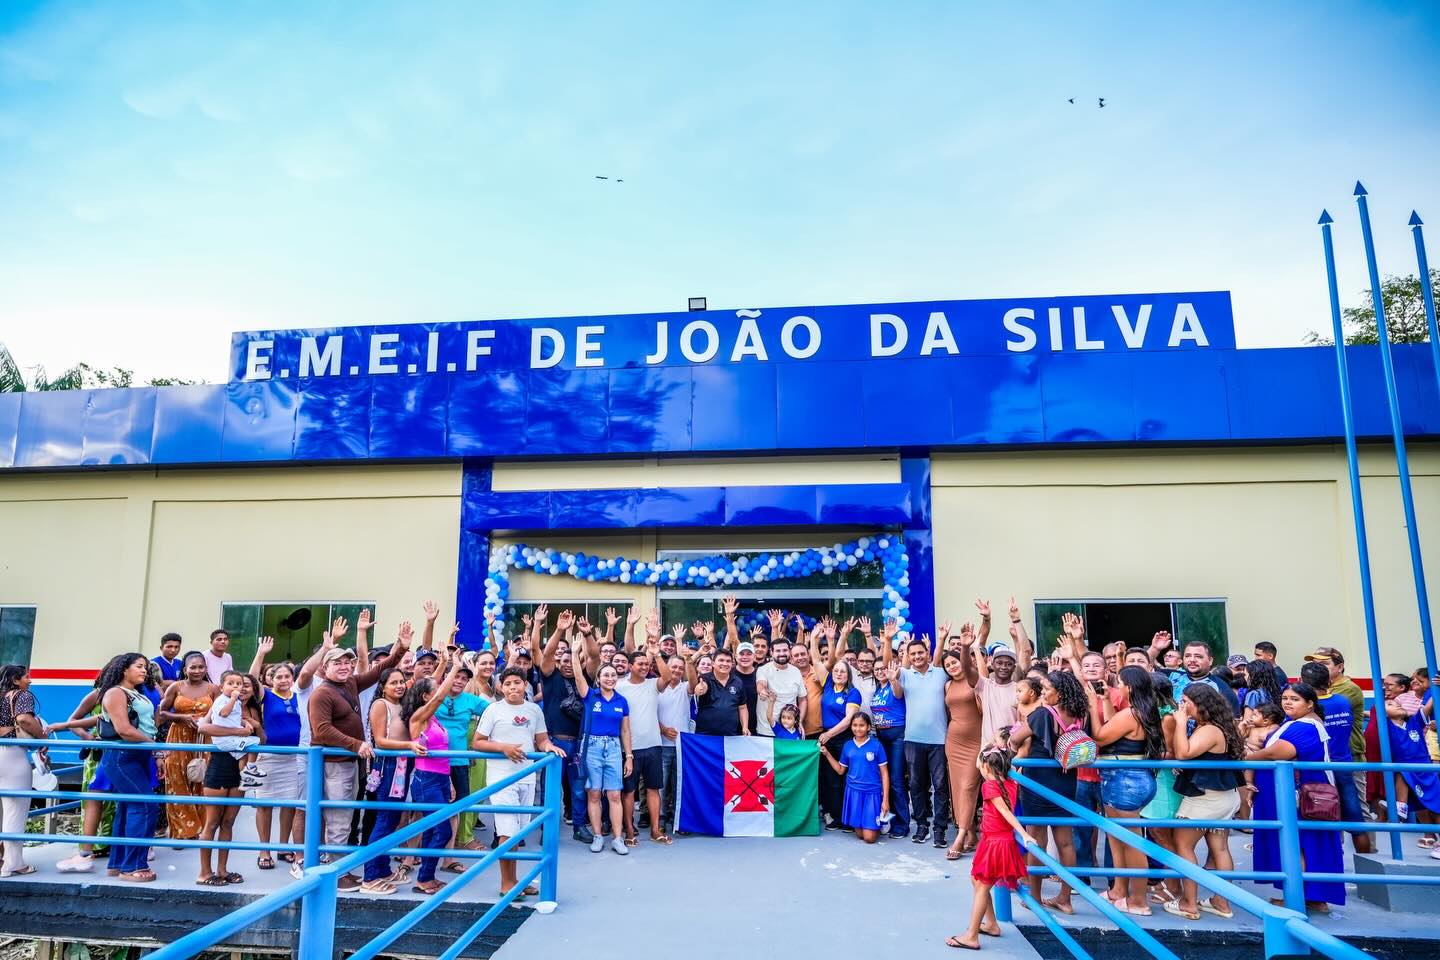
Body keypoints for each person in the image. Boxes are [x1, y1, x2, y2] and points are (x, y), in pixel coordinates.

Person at [309, 617, 405, 891]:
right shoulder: (322, 694)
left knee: (347, 816)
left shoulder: (349, 683)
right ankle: (336, 875)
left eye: (347, 662)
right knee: (339, 818)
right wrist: (356, 744)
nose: (344, 666)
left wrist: (401, 648)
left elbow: (379, 671)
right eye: (337, 663)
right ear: (325, 667)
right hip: (336, 763)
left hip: (351, 762)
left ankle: (340, 868)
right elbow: (322, 730)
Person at [1247, 681, 1346, 912]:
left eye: (1295, 699)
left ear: (1310, 703)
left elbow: (1278, 752)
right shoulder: (1301, 723)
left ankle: (1296, 898)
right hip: (1292, 792)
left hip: (1296, 796)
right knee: (1302, 842)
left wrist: (1247, 758)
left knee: (1296, 843)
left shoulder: (1305, 726)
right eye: (1285, 698)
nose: (1288, 703)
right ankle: (1308, 896)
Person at [473, 667, 566, 899]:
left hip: (527, 775)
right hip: (502, 777)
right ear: (501, 687)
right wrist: (503, 748)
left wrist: (549, 747)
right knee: (507, 831)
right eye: (508, 684)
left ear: (525, 685)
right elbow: (478, 742)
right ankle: (506, 883)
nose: (512, 687)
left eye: (517, 682)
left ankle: (515, 880)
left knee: (518, 831)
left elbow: (541, 739)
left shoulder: (534, 709)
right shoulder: (493, 710)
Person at [1081, 659, 1163, 916]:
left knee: (1131, 842)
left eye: (1120, 683)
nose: (1118, 687)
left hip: (1124, 781)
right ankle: (1118, 890)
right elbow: (1114, 727)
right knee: (1116, 838)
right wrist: (1105, 700)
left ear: (1130, 687)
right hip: (1127, 778)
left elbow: (1101, 736)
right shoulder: (1142, 711)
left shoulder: (1131, 714)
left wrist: (1092, 705)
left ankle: (1138, 901)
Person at [1008, 667, 1089, 914]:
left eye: (1046, 689)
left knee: (1036, 838)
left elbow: (1016, 739)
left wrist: (1013, 740)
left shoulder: (1043, 714)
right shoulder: (1080, 715)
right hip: (1067, 781)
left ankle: (1034, 896)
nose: (1043, 693)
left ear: (1060, 693)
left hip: (1038, 782)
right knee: (1065, 842)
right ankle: (1065, 898)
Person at [946, 747, 1036, 951]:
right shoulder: (1011, 782)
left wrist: (1024, 834)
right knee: (976, 880)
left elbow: (1005, 811)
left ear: (987, 767)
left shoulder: (990, 786)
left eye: (982, 765)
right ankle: (992, 924)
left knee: (982, 886)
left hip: (996, 844)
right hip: (992, 840)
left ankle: (971, 936)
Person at [1169, 683, 1244, 921]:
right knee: (1220, 848)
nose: (1182, 705)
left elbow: (1183, 753)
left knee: (1183, 846)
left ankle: (1189, 903)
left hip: (1205, 799)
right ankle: (1221, 902)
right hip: (1222, 796)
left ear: (1200, 704)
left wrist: (1181, 723)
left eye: (1186, 701)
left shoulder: (1209, 729)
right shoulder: (1218, 726)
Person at [400, 657, 466, 896]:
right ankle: (425, 877)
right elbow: (439, 697)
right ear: (426, 696)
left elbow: (442, 751)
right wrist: (455, 668)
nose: (440, 693)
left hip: (440, 778)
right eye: (435, 690)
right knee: (443, 830)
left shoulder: (434, 718)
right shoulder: (418, 716)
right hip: (425, 780)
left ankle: (426, 877)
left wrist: (448, 782)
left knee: (432, 830)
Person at [94, 654, 159, 883]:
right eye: (139, 666)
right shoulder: (115, 693)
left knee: (128, 806)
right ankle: (132, 866)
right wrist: (156, 747)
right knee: (144, 805)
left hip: (138, 754)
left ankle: (118, 863)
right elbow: (123, 729)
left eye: (146, 667)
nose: (144, 671)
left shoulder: (136, 693)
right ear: (124, 669)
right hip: (123, 755)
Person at [886, 625, 952, 849]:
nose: (917, 656)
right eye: (912, 654)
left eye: (920, 652)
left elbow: (941, 655)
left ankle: (940, 829)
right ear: (908, 656)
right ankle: (922, 825)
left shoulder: (940, 672)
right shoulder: (905, 674)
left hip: (939, 740)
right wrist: (893, 680)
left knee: (940, 786)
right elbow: (897, 694)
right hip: (913, 739)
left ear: (927, 652)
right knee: (916, 785)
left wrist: (941, 638)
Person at [359, 667, 422, 894]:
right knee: (385, 819)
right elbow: (380, 741)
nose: (399, 686)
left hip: (404, 766)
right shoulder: (380, 704)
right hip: (388, 766)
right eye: (393, 682)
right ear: (383, 687)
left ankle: (383, 869)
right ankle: (370, 876)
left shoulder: (403, 705)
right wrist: (409, 745)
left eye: (401, 682)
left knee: (393, 818)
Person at [193, 668, 259, 886]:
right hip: (219, 765)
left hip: (239, 769)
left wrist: (251, 725)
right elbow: (205, 727)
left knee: (229, 821)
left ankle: (222, 869)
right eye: (232, 684)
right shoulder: (221, 703)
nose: (239, 688)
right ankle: (204, 872)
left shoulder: (249, 709)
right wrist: (238, 731)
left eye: (243, 685)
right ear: (222, 686)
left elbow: (261, 737)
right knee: (212, 822)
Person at [1300, 662, 1373, 854]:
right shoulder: (1342, 701)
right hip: (1343, 765)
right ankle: (1366, 862)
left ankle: (1326, 861)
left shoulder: (1307, 708)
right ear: (1328, 681)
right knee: (1356, 822)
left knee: (1317, 819)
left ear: (1302, 683)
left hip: (1319, 770)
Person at [246, 640, 302, 872]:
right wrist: (260, 653)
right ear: (271, 679)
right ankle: (264, 850)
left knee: (290, 805)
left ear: (292, 678)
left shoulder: (300, 696)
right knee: (265, 805)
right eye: (278, 676)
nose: (283, 680)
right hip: (268, 757)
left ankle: (283, 847)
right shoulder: (266, 696)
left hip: (294, 758)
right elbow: (250, 680)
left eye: (287, 676)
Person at [572, 645, 632, 855]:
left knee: (614, 794)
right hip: (592, 747)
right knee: (594, 793)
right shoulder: (590, 695)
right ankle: (597, 836)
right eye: (606, 675)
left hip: (614, 747)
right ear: (598, 678)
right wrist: (574, 653)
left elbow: (625, 730)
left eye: (613, 675)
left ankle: (617, 838)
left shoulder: (622, 701)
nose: (610, 678)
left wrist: (629, 755)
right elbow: (578, 677)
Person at [617, 645, 676, 846]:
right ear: (630, 666)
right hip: (629, 749)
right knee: (629, 792)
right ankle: (629, 830)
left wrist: (656, 653)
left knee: (653, 789)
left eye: (646, 664)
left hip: (653, 746)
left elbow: (667, 677)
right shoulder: (619, 686)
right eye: (640, 664)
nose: (644, 667)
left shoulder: (652, 684)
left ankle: (655, 830)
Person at [156, 651, 217, 842]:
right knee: (176, 781)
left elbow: (222, 713)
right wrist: (181, 717)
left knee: (201, 781)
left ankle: (201, 829)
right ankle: (182, 832)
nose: (197, 670)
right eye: (193, 667)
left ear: (206, 669)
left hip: (204, 738)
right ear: (185, 669)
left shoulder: (213, 689)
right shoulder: (176, 687)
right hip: (178, 738)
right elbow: (162, 712)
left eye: (201, 667)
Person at [1379, 673, 1440, 857]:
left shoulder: (1414, 721)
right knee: (1417, 799)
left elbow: (1428, 706)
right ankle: (1402, 807)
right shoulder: (1386, 727)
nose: (1397, 705)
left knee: (1436, 805)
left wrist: (1436, 688)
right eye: (1390, 705)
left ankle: (1401, 806)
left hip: (1424, 769)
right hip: (1408, 772)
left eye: (1397, 703)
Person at [1303, 647, 1366, 816]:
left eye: (1323, 664)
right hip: (1330, 756)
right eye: (1314, 663)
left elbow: (1319, 703)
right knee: (1329, 808)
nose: (1317, 668)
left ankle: (1367, 834)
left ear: (1340, 667)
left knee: (1357, 809)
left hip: (1349, 755)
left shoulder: (1347, 690)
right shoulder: (1332, 694)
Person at [1139, 673, 1182, 905]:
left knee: (1163, 834)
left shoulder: (1168, 717)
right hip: (1156, 776)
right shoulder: (1154, 714)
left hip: (1165, 780)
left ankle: (1174, 887)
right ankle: (1168, 881)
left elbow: (1172, 752)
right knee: (1157, 832)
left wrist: (1141, 755)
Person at [941, 631, 982, 859]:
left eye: (954, 662)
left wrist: (970, 647)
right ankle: (970, 833)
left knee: (968, 787)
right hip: (954, 742)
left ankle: (960, 835)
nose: (952, 667)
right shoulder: (947, 686)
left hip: (975, 742)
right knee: (957, 789)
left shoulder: (974, 679)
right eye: (947, 665)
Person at [0, 664, 43, 878]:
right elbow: (24, 719)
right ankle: (13, 864)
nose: (30, 680)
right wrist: (42, 737)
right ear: (15, 680)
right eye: (26, 677)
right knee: (15, 811)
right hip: (12, 755)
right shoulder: (21, 695)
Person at [819, 712, 889, 843]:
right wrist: (827, 754)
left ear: (868, 727)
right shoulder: (848, 746)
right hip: (854, 792)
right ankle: (871, 822)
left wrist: (885, 800)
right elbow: (840, 770)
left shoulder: (876, 745)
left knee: (869, 838)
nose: (858, 728)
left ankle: (883, 822)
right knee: (860, 835)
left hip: (872, 792)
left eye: (862, 725)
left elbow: (884, 774)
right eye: (855, 725)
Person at [817, 658, 863, 831]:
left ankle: (849, 819)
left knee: (846, 779)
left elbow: (849, 719)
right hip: (828, 738)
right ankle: (835, 816)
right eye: (836, 670)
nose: (838, 674)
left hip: (844, 738)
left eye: (843, 671)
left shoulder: (853, 692)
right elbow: (817, 661)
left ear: (848, 675)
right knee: (830, 778)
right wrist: (814, 642)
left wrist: (829, 734)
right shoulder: (828, 685)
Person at [870, 658, 910, 838]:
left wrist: (894, 679)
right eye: (876, 669)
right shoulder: (878, 690)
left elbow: (899, 694)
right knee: (884, 779)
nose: (880, 672)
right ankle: (890, 818)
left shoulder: (894, 685)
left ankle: (902, 824)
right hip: (881, 737)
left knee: (896, 780)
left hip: (897, 736)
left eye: (883, 668)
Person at [656, 653, 690, 834]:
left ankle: (678, 820)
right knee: (661, 784)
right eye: (673, 667)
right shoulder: (656, 687)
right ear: (666, 667)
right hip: (661, 744)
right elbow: (647, 713)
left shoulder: (685, 687)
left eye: (680, 668)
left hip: (682, 746)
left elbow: (693, 682)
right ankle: (660, 819)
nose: (677, 670)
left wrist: (690, 660)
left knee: (679, 784)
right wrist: (662, 729)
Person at [688, 647, 747, 736]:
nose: (725, 664)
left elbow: (742, 707)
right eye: (721, 660)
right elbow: (700, 687)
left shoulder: (738, 682)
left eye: (728, 661)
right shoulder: (705, 678)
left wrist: (745, 727)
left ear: (732, 664)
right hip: (705, 735)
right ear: (713, 663)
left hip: (730, 736)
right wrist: (700, 689)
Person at [756, 633, 806, 737]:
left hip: (790, 732)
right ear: (771, 652)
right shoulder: (763, 670)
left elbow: (802, 699)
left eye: (785, 650)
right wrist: (762, 691)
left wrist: (800, 722)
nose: (782, 653)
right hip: (766, 731)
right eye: (778, 651)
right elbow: (761, 684)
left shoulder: (796, 671)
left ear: (789, 651)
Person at [1169, 641, 1239, 715]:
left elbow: (1232, 718)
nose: (1192, 660)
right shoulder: (1172, 676)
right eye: (1187, 656)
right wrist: (1158, 648)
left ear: (1210, 661)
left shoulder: (1221, 688)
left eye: (1198, 656)